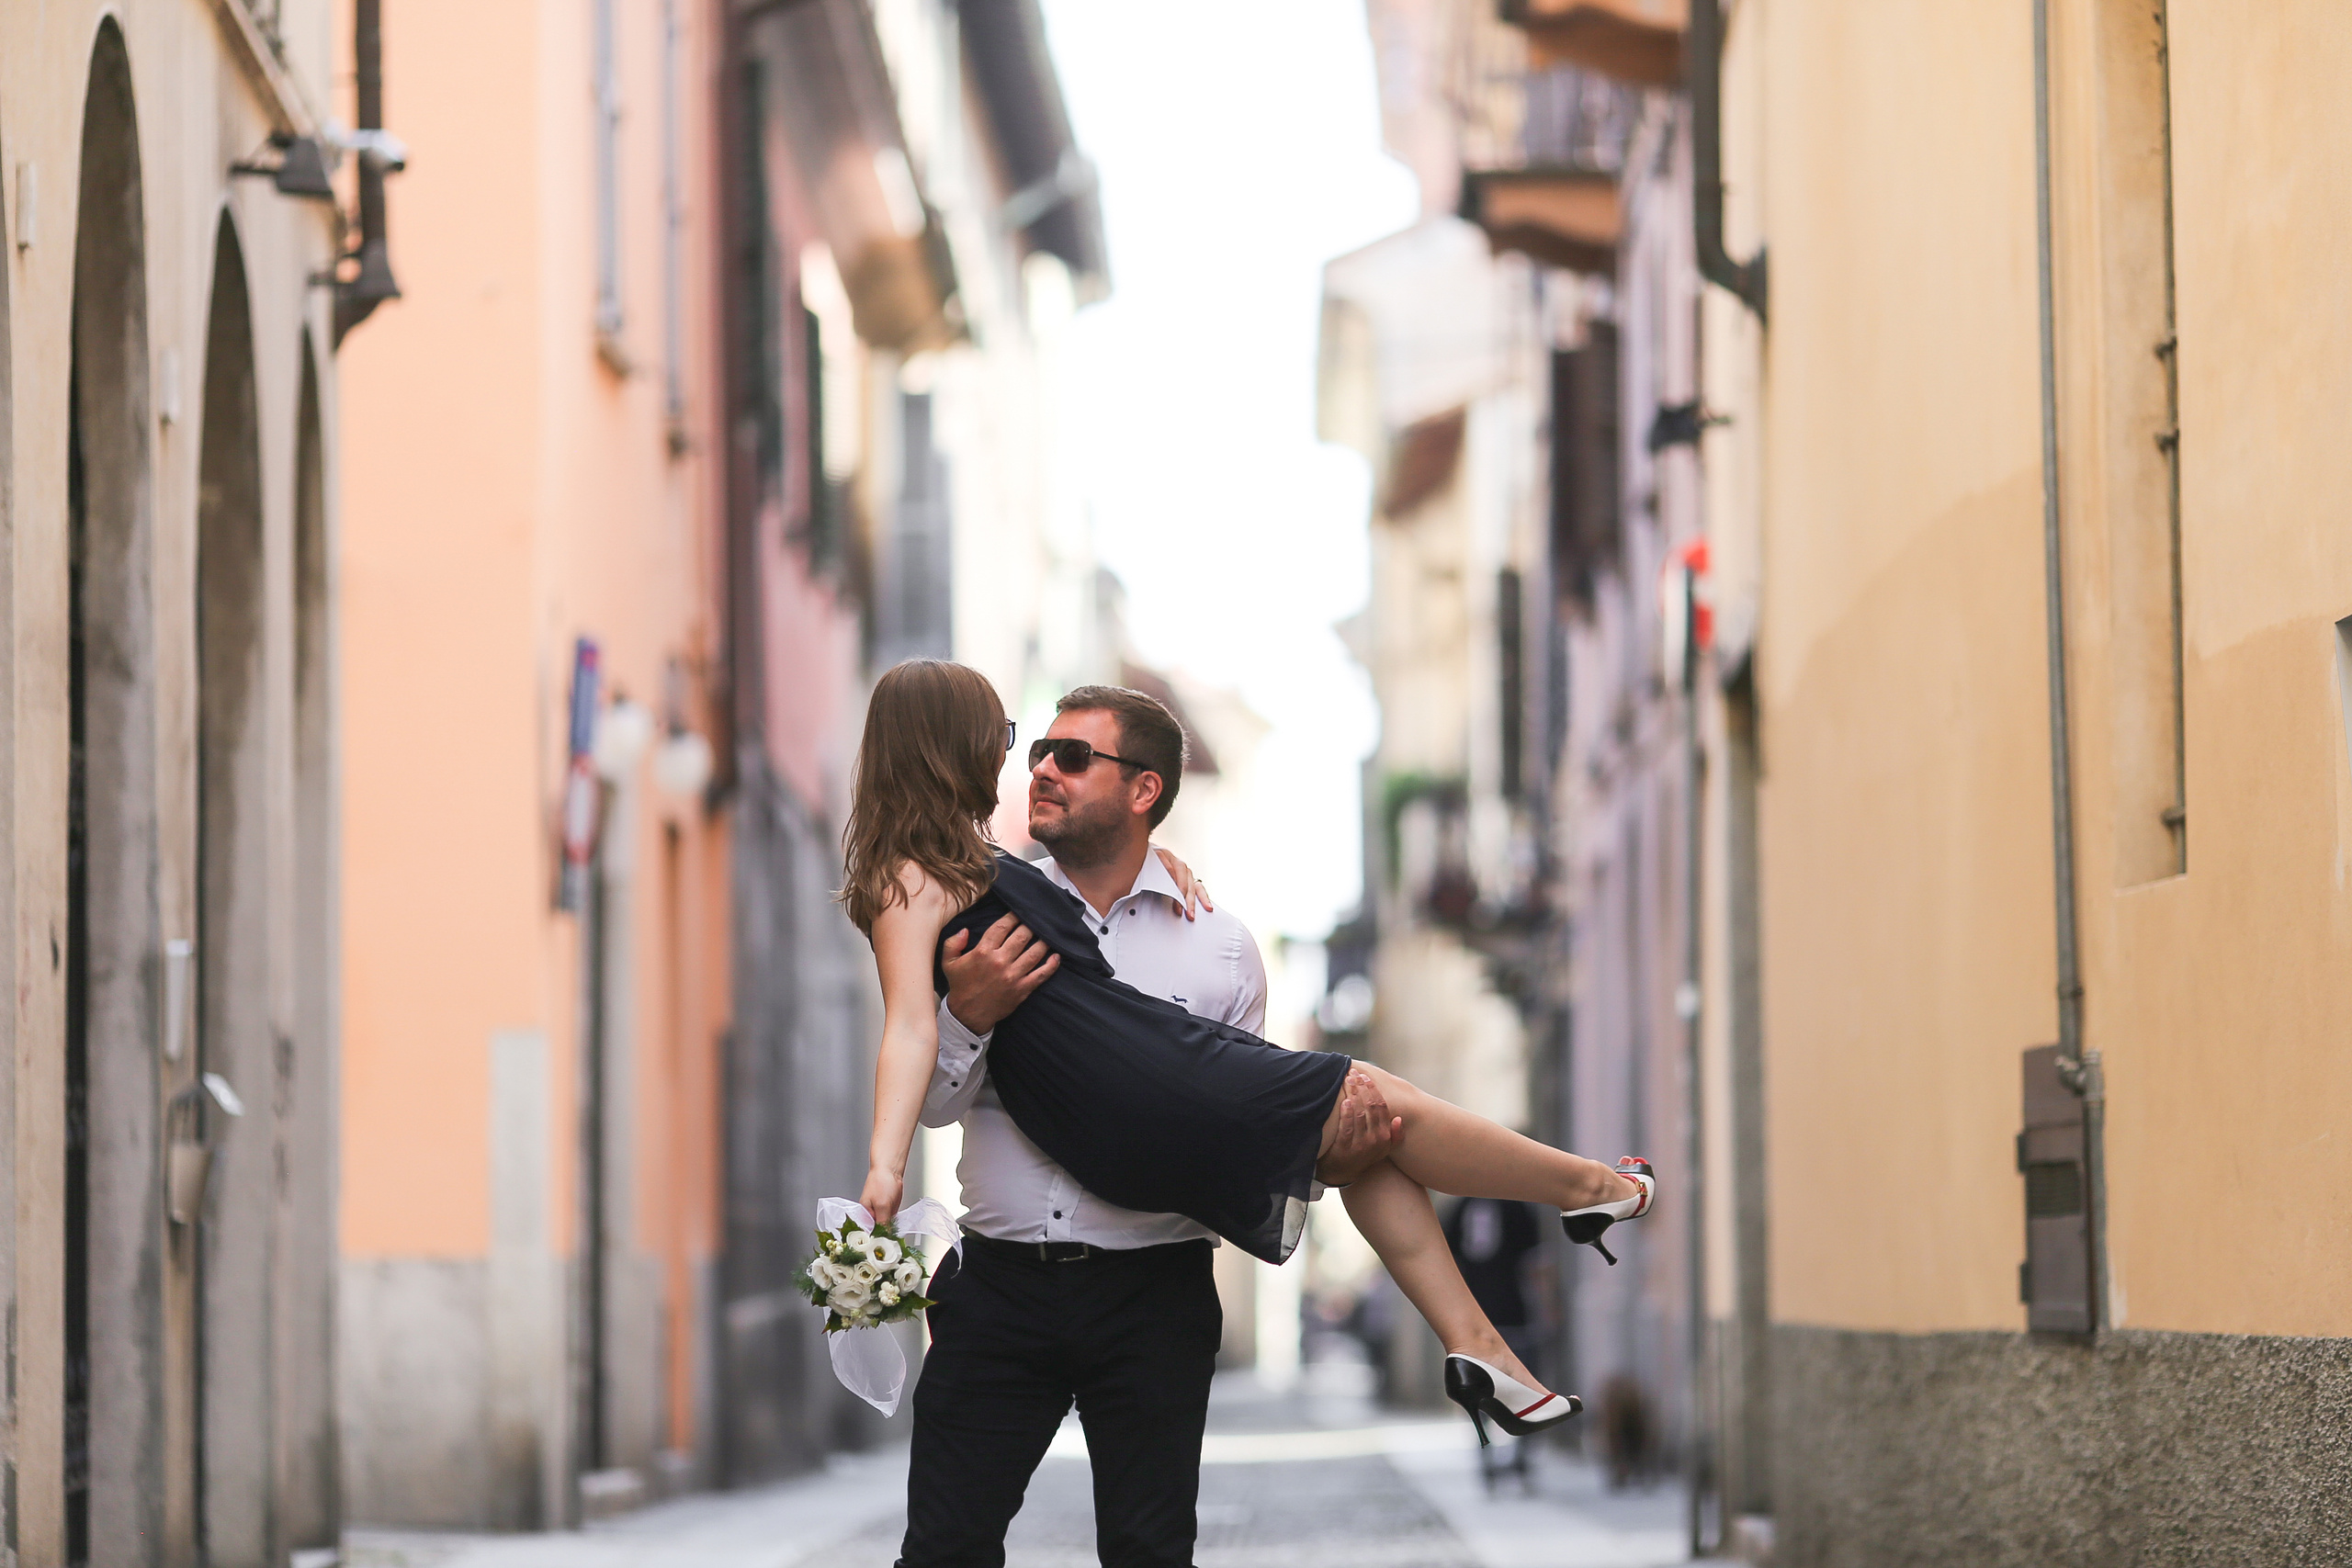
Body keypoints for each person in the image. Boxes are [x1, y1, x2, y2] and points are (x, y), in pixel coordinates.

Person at [845, 664, 1656, 1562]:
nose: (1030, 768)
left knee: (1366, 1126)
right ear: (941, 746)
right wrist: (949, 1050)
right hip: (1004, 1284)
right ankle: (1575, 1208)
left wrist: (1159, 868)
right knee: (944, 1549)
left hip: (1154, 1254)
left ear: (1144, 792)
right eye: (1022, 747)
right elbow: (918, 1049)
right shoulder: (943, 885)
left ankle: (1497, 1325)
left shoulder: (1206, 937)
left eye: (1065, 755)